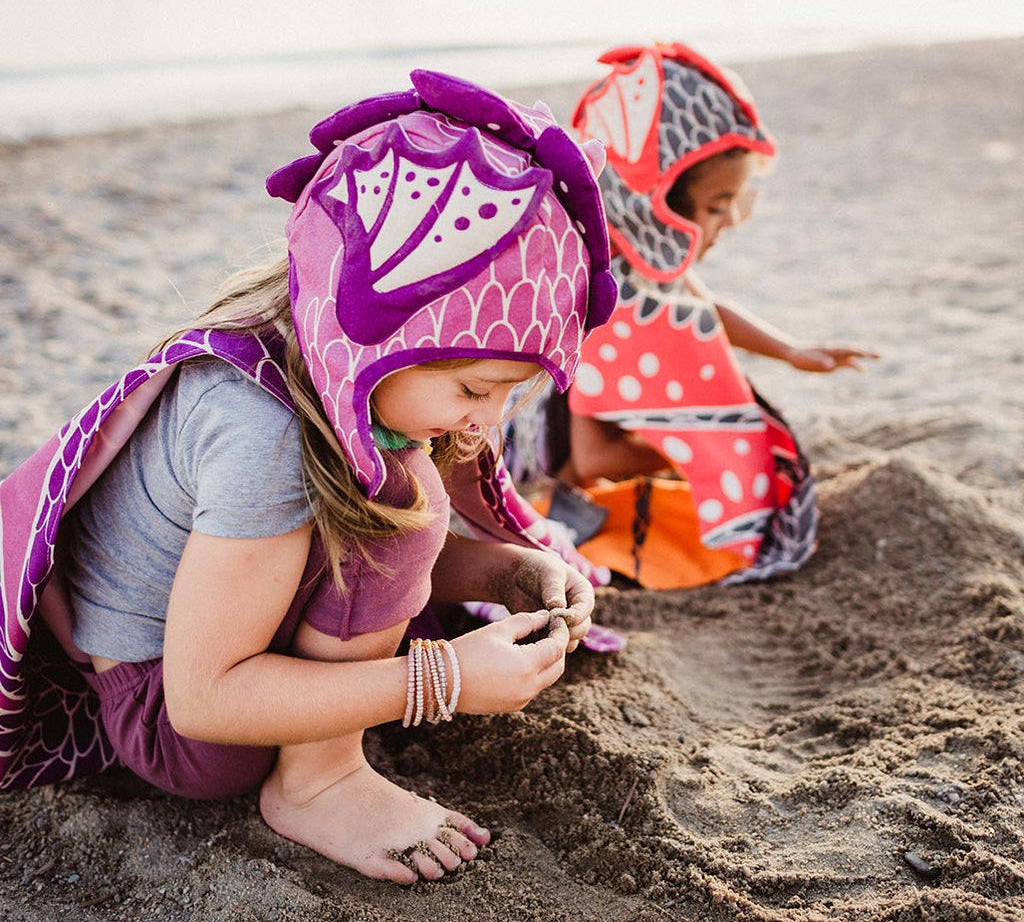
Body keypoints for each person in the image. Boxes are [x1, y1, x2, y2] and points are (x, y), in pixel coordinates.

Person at [0, 70, 620, 885]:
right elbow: (204, 700)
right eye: (474, 389)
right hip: (181, 724)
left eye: (510, 394)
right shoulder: (262, 429)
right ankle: (319, 780)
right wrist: (443, 680)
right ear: (379, 337)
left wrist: (506, 570)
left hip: (215, 645)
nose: (485, 423)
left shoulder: (330, 367)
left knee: (403, 508)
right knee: (408, 503)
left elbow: (308, 559)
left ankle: (325, 750)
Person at [504, 42, 877, 590]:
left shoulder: (636, 254)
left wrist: (791, 352)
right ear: (659, 203)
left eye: (734, 202)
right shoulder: (606, 290)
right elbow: (591, 459)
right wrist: (699, 465)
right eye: (715, 206)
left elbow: (701, 307)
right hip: (523, 451)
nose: (728, 222)